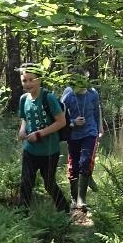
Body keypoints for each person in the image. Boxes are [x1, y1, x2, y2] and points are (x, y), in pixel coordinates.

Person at [17, 66, 71, 212]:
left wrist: (39, 134)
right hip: (30, 149)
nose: (27, 83)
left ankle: (64, 211)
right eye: (24, 80)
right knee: (26, 182)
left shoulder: (48, 98)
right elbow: (24, 118)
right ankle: (22, 214)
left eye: (31, 80)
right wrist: (22, 129)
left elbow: (61, 122)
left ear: (39, 80)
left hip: (49, 150)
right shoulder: (23, 99)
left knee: (49, 183)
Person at [61, 69, 102, 210]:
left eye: (83, 80)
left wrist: (99, 129)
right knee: (74, 165)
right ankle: (74, 198)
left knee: (85, 161)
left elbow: (97, 111)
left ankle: (81, 199)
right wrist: (72, 122)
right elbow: (61, 116)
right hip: (73, 135)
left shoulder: (93, 93)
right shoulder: (68, 94)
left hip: (90, 132)